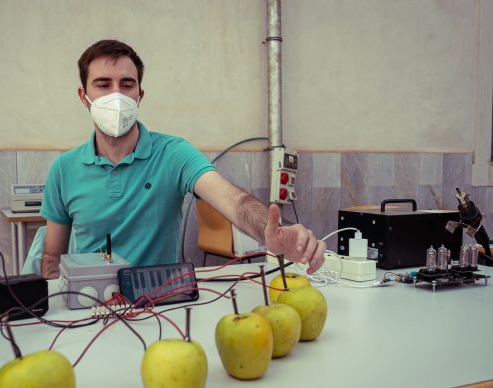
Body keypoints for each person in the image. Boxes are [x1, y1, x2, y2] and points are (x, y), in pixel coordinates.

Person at [40, 39, 326, 278]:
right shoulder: (64, 170)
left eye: (127, 85)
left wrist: (270, 231)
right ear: (83, 95)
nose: (116, 95)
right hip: (89, 306)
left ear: (140, 95)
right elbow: (52, 256)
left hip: (158, 304)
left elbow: (233, 201)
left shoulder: (173, 154)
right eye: (103, 85)